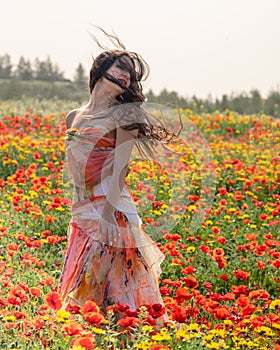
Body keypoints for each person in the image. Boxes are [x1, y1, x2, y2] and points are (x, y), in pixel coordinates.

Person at [58, 43, 181, 322]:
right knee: (88, 281)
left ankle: (120, 331)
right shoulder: (73, 117)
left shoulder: (124, 118)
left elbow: (121, 170)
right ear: (101, 70)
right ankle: (96, 333)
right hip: (82, 210)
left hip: (112, 209)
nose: (126, 74)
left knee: (110, 281)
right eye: (120, 67)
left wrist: (107, 216)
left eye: (130, 71)